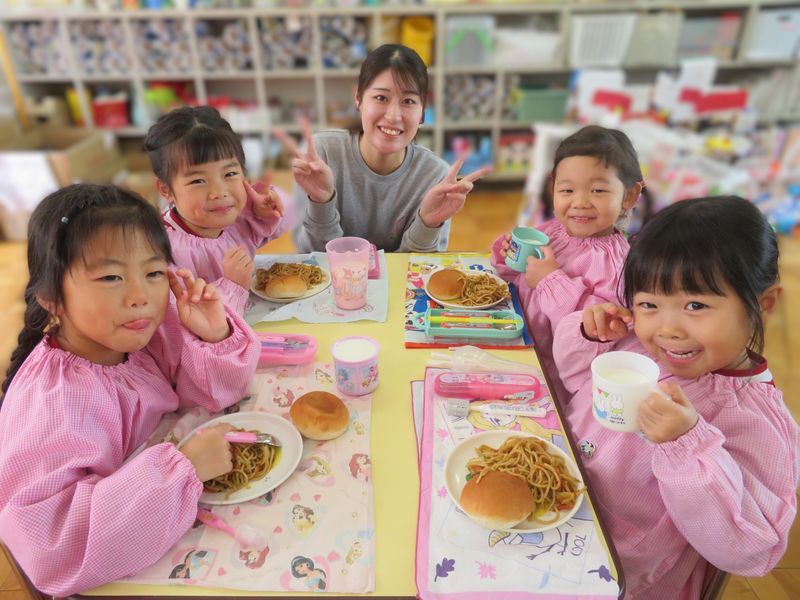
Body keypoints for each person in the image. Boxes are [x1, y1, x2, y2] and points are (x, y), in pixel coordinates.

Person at [0, 184, 260, 595]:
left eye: (153, 273)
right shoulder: (53, 406)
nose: (141, 296)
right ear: (52, 298)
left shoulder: (135, 334)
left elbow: (213, 394)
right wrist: (181, 471)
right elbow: (51, 546)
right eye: (110, 277)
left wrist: (213, 334)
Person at [552, 196, 800, 599]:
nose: (667, 329)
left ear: (763, 304)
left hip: (617, 574)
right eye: (649, 304)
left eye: (695, 305)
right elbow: (576, 382)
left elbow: (751, 551)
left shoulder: (756, 422)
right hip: (554, 507)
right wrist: (588, 334)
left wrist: (686, 444)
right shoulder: (639, 349)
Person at [276, 44, 489, 253]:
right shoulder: (321, 154)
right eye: (381, 98)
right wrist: (321, 203)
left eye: (408, 101)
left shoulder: (436, 176)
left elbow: (421, 270)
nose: (393, 116)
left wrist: (427, 224)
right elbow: (309, 257)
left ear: (422, 112)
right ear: (358, 98)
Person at [490, 125, 643, 395]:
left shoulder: (619, 266)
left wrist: (551, 280)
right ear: (553, 188)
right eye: (567, 190)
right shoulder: (551, 232)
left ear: (629, 195)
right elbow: (519, 282)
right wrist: (508, 257)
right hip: (515, 346)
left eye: (597, 190)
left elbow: (595, 329)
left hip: (554, 383)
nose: (579, 202)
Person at [144, 105, 287, 314]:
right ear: (166, 189)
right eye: (198, 180)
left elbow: (274, 228)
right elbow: (186, 321)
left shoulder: (234, 218)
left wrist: (261, 213)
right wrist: (232, 285)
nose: (219, 193)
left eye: (229, 174)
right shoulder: (164, 250)